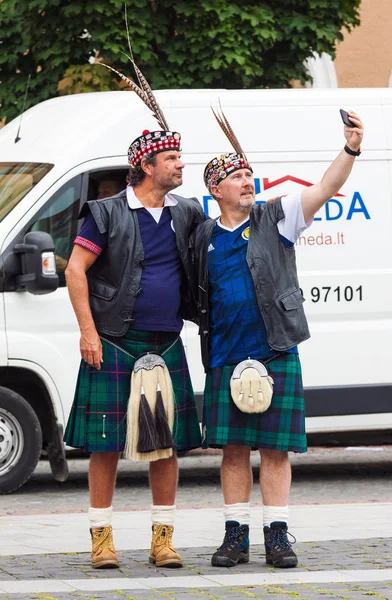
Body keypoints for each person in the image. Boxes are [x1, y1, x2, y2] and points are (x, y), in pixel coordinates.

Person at [193, 108, 364, 569]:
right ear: (216, 190)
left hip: (275, 349)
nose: (248, 181)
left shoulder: (278, 217)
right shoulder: (203, 236)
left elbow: (326, 189)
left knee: (275, 449)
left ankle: (277, 535)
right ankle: (234, 537)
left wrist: (350, 147)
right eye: (237, 176)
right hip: (226, 355)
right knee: (231, 451)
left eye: (250, 174)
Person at [64, 63, 204, 570]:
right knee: (104, 447)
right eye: (172, 158)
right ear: (146, 166)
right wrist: (88, 332)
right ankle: (102, 540)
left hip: (165, 342)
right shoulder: (105, 214)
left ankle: (162, 540)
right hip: (115, 341)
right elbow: (75, 271)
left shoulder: (186, 212)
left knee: (165, 446)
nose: (180, 165)